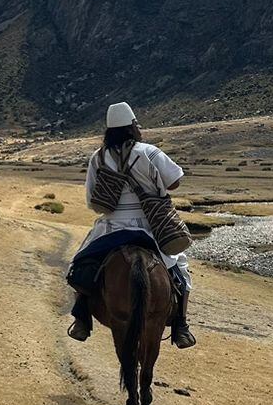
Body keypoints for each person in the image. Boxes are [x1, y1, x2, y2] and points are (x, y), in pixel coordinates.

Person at [66, 101, 195, 348]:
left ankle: (82, 319)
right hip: (151, 227)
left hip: (111, 228)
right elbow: (175, 181)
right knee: (180, 268)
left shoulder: (98, 157)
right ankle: (181, 326)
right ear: (132, 126)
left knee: (81, 263)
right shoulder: (149, 151)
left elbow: (92, 200)